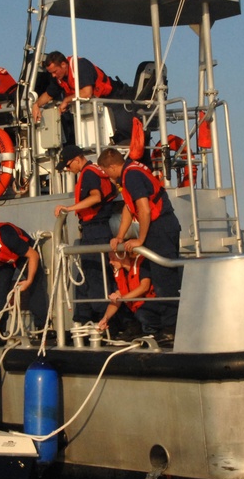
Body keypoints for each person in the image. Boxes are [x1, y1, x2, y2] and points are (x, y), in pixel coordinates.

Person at [98, 147, 182, 331]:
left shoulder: (132, 176)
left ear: (112, 167)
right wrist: (120, 236)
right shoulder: (131, 172)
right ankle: (165, 326)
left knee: (164, 282)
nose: (107, 175)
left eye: (105, 171)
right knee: (161, 279)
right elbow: (130, 207)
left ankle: (172, 330)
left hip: (161, 228)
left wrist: (140, 239)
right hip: (160, 227)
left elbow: (144, 209)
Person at [54, 144, 118, 323]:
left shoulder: (88, 173)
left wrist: (69, 208)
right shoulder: (96, 170)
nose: (68, 170)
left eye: (68, 166)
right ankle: (83, 318)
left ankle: (105, 321)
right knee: (89, 276)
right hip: (98, 228)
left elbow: (96, 196)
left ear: (76, 159)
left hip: (95, 229)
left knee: (95, 276)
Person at [31, 51, 134, 143]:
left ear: (63, 64)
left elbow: (87, 92)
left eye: (55, 71)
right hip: (96, 106)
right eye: (51, 73)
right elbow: (49, 94)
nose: (53, 75)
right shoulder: (58, 78)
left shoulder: (81, 65)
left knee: (125, 135)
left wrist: (66, 100)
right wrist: (36, 105)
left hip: (114, 98)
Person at [97, 251, 161, 339]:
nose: (110, 262)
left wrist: (121, 298)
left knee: (142, 314)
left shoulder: (141, 264)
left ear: (122, 255)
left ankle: (154, 333)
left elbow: (144, 287)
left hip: (152, 305)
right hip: (137, 310)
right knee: (122, 314)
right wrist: (105, 318)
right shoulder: (119, 273)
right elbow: (117, 299)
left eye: (113, 258)